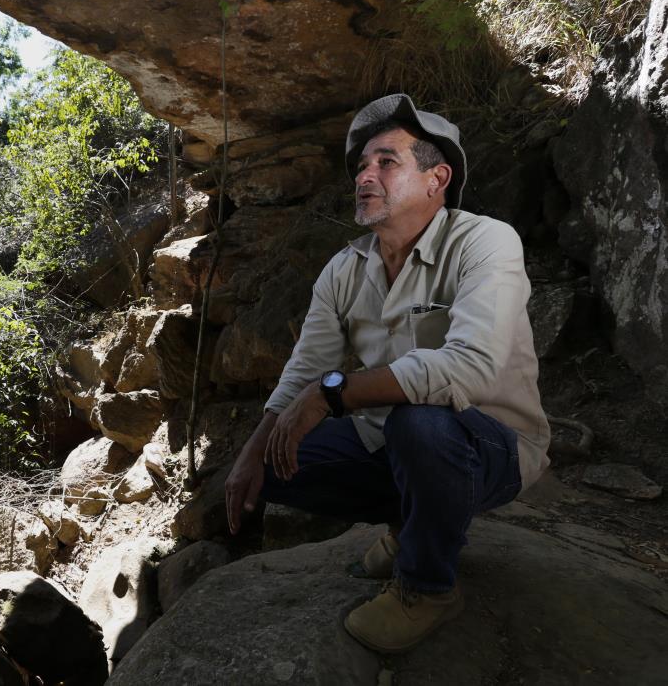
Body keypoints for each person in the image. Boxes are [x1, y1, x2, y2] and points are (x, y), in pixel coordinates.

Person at [223, 94, 550, 653]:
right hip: (394, 442)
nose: (364, 176)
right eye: (360, 167)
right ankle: (410, 526)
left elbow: (467, 366)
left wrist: (333, 395)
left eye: (386, 161)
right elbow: (307, 365)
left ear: (436, 178)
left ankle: (428, 588)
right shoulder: (345, 269)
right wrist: (250, 455)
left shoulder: (485, 242)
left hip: (488, 443)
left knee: (419, 424)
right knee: (275, 465)